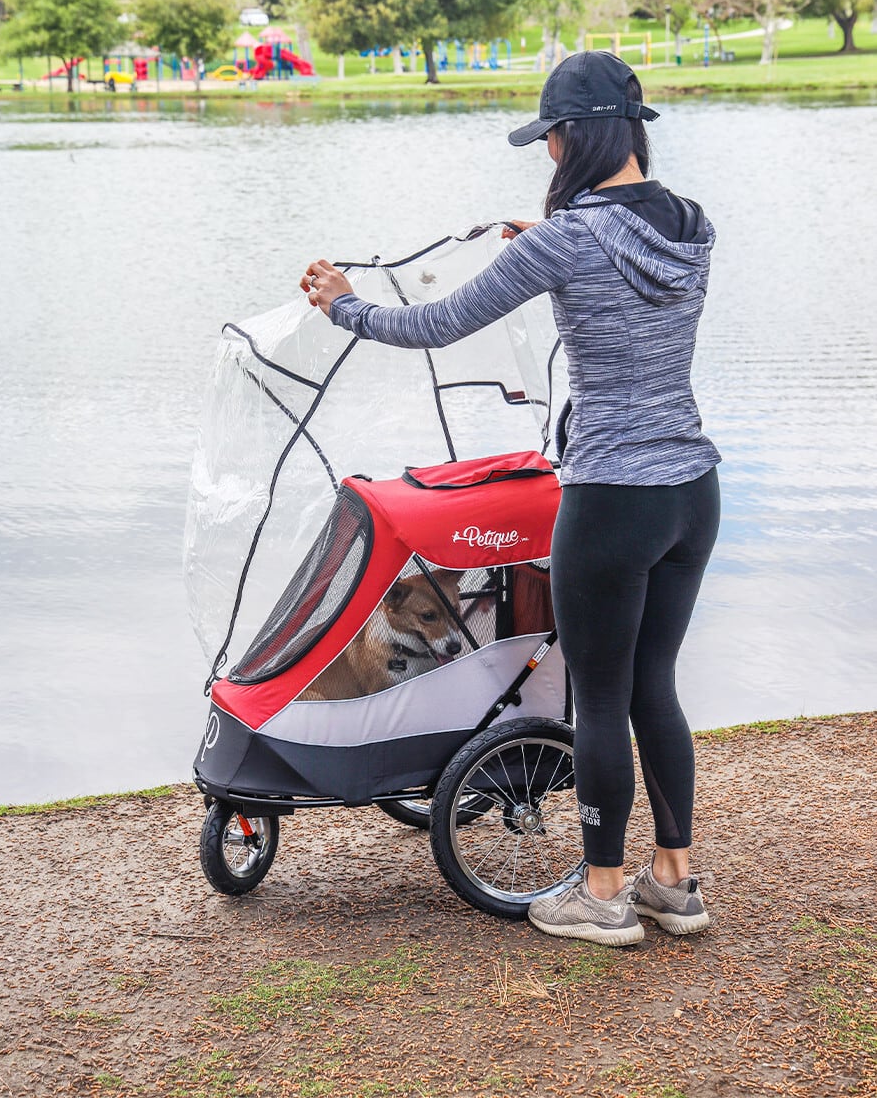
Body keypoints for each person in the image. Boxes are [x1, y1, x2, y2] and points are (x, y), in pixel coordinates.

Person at [300, 51, 721, 948]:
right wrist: (546, 240)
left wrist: (345, 305)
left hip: (612, 494)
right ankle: (673, 883)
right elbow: (626, 254)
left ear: (574, 137)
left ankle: (601, 896)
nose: (548, 153)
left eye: (552, 138)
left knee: (600, 697)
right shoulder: (691, 225)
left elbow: (433, 326)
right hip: (692, 489)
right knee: (655, 685)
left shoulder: (566, 240)